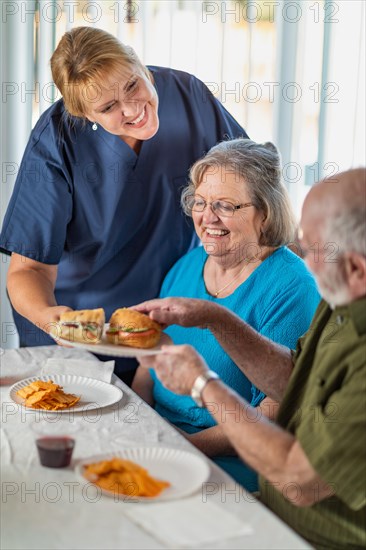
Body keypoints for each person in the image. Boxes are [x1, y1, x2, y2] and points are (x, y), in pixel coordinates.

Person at [0, 26, 247, 383]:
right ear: (84, 114)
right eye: (108, 107)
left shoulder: (189, 96)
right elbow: (28, 271)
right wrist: (54, 320)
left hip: (167, 315)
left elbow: (252, 182)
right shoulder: (57, 140)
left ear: (138, 62)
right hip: (78, 329)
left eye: (132, 85)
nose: (134, 109)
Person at [136, 168, 366, 550]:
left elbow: (300, 481)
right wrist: (216, 317)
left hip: (313, 538)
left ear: (356, 268)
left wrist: (201, 384)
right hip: (267, 510)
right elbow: (296, 378)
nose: (302, 260)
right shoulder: (343, 297)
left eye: (310, 249)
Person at [132, 138, 320, 491]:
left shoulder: (292, 287)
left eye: (225, 206)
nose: (207, 217)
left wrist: (184, 447)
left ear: (264, 213)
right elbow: (149, 361)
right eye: (200, 202)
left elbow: (278, 408)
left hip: (231, 462)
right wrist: (135, 424)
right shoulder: (186, 267)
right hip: (158, 438)